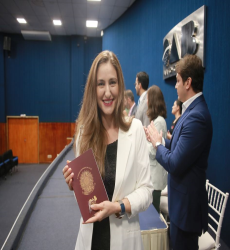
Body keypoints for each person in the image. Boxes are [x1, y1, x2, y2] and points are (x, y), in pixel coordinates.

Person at [63, 50, 153, 250]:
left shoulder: (135, 129)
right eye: (101, 84)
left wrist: (119, 206)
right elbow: (88, 194)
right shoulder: (83, 133)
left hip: (124, 238)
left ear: (120, 86)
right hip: (90, 239)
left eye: (112, 82)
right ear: (92, 89)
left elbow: (146, 191)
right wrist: (75, 185)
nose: (107, 92)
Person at [145, 54, 213, 250]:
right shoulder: (191, 111)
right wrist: (160, 140)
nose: (175, 86)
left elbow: (174, 163)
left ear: (188, 82)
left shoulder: (197, 117)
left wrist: (158, 145)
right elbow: (177, 147)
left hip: (186, 209)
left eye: (177, 81)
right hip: (180, 206)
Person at [144, 85, 167, 213]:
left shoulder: (159, 121)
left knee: (154, 217)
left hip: (155, 179)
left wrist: (144, 142)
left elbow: (154, 151)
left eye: (148, 99)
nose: (146, 102)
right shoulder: (157, 120)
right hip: (153, 177)